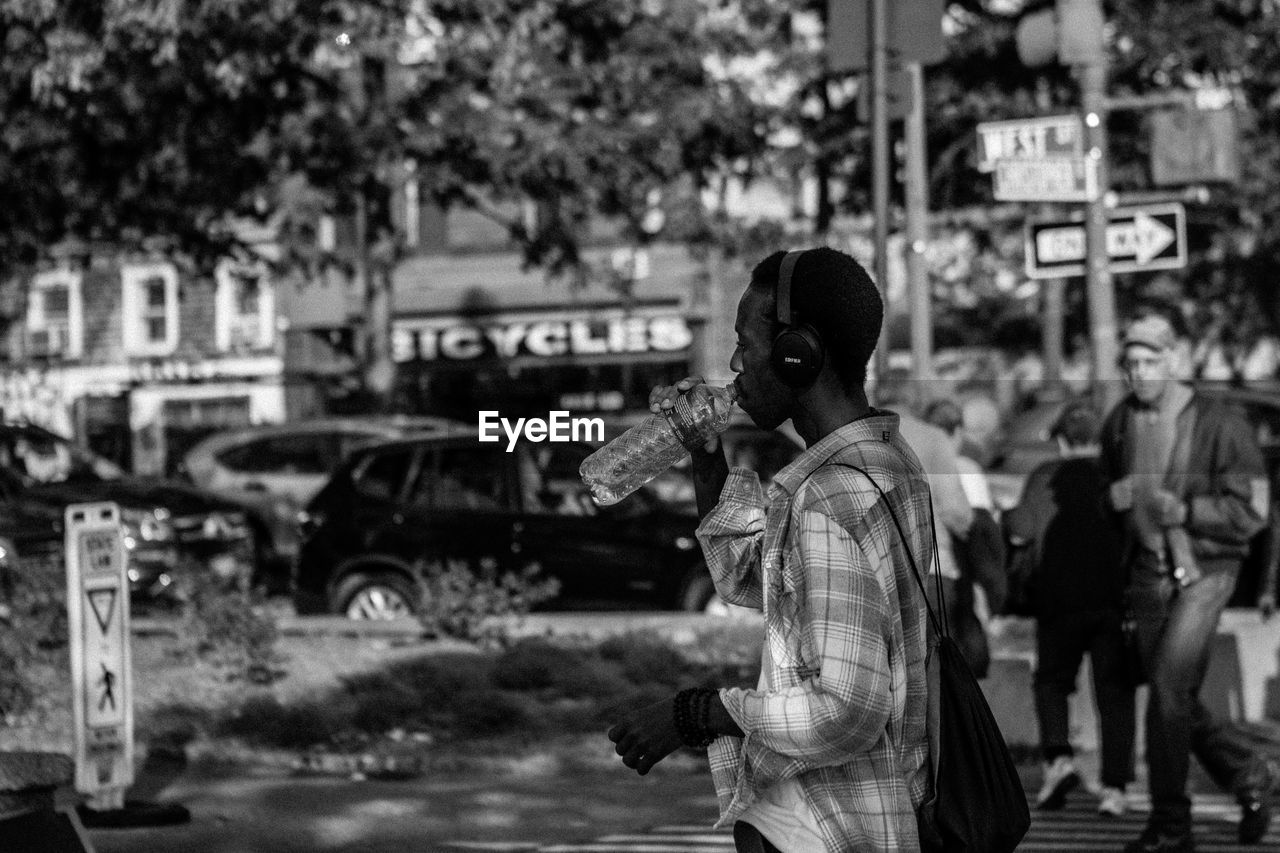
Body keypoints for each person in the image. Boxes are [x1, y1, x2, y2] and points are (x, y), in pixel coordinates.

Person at [606, 247, 934, 852]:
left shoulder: (831, 492)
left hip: (836, 829)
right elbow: (756, 583)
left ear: (797, 352)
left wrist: (694, 714)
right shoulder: (883, 464)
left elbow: (847, 710)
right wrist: (709, 464)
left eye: (744, 341)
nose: (733, 363)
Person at [1101, 314, 1276, 852]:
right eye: (1131, 362)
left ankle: (1172, 826)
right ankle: (1250, 774)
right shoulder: (1120, 422)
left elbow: (1254, 508)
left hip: (1205, 570)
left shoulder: (1219, 422)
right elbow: (1111, 490)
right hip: (1147, 573)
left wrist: (1188, 510)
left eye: (1150, 360)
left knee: (1170, 692)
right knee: (1172, 698)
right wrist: (1114, 500)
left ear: (1174, 359)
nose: (1139, 371)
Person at [1003, 400, 1135, 817]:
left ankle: (1058, 761)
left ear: (1060, 440)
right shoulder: (1115, 477)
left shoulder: (1045, 475)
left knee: (1052, 684)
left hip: (1057, 602)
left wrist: (1008, 519)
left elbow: (1022, 529)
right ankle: (1115, 788)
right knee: (1114, 693)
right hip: (1112, 600)